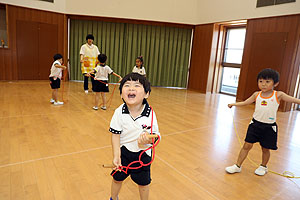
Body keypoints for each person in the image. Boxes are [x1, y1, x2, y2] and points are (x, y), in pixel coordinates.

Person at [225, 68, 300, 176]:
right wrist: (234, 104)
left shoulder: (278, 95)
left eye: (267, 82)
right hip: (255, 125)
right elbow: (246, 102)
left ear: (276, 83)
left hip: (269, 127)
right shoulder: (257, 94)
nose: (263, 84)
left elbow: (294, 100)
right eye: (261, 81)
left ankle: (263, 166)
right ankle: (237, 166)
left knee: (265, 149)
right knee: (246, 145)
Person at [109, 73, 160, 200]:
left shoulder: (150, 114)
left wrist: (148, 138)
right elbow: (115, 135)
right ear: (121, 94)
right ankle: (113, 197)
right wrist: (116, 155)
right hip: (124, 153)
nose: (131, 88)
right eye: (127, 85)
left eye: (136, 85)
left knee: (144, 184)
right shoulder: (119, 112)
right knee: (116, 179)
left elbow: (155, 137)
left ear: (146, 94)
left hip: (143, 154)